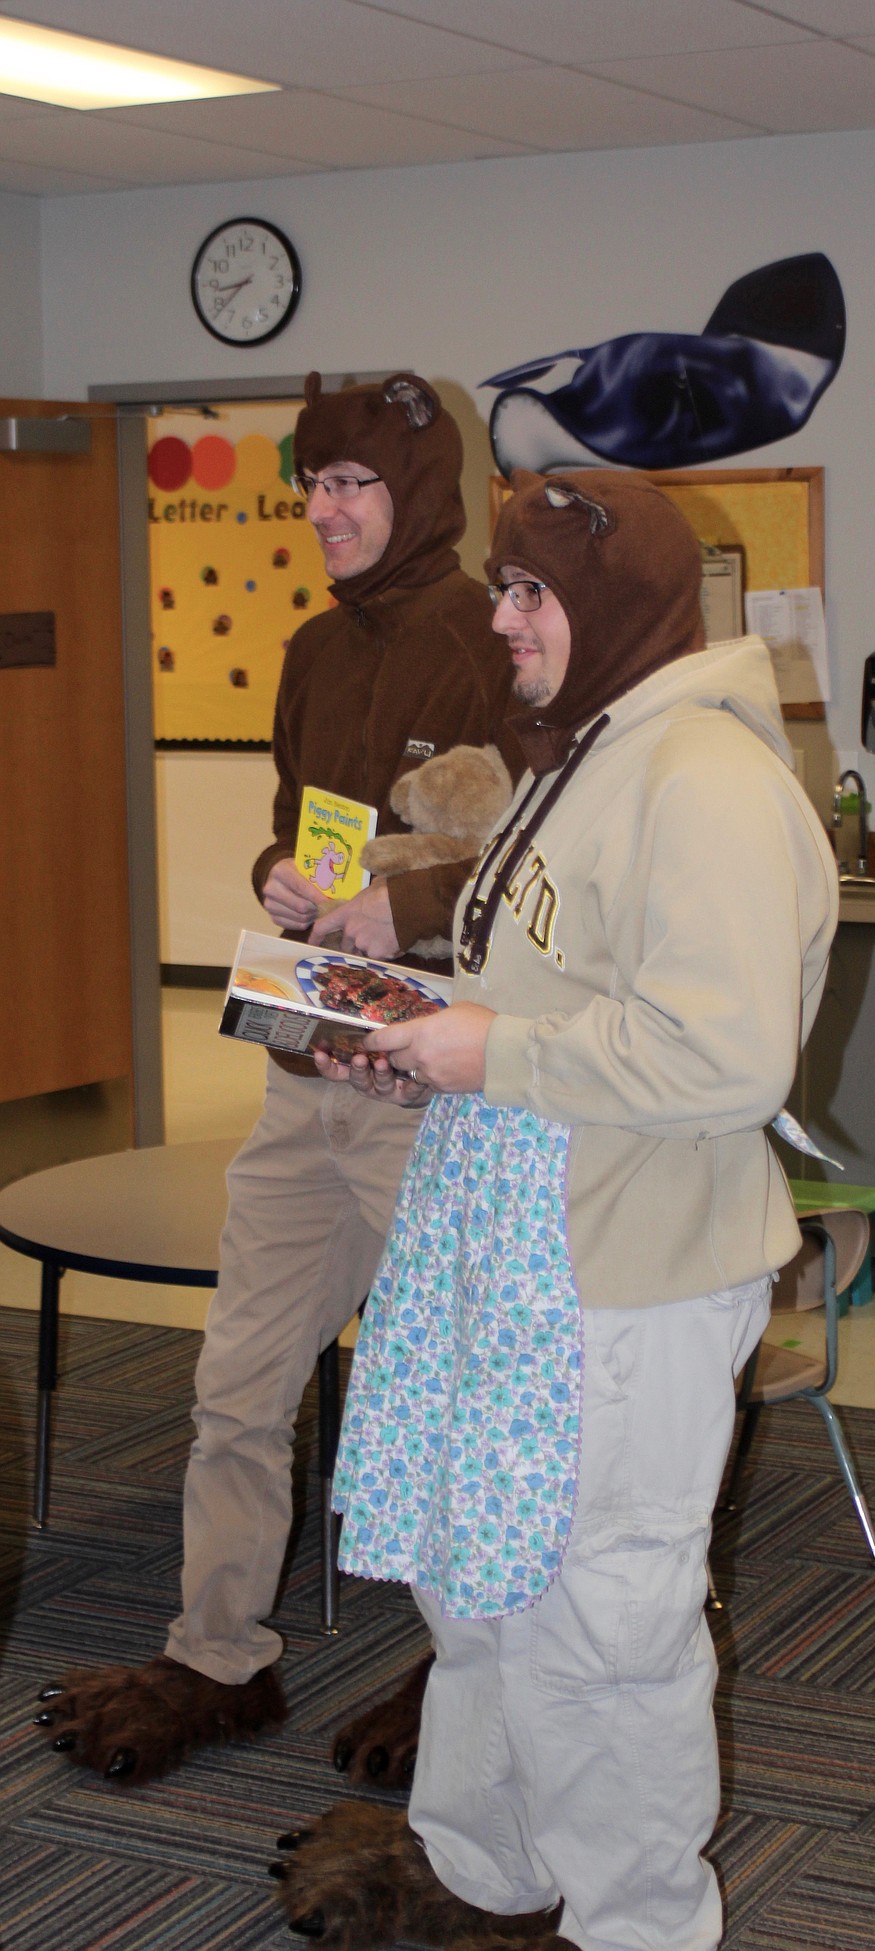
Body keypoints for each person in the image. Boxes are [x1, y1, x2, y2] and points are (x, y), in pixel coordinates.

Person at [272, 469, 838, 1951]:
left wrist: (490, 1051)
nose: (504, 620)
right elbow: (551, 998)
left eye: (533, 595)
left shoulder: (701, 781)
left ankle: (636, 1925)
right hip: (514, 1246)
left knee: (602, 1631)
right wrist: (427, 1047)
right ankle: (488, 1874)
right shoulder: (580, 759)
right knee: (483, 1592)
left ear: (612, 605)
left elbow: (720, 1058)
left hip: (625, 1278)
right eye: (504, 589)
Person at [36, 372, 521, 1786]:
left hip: (427, 1086)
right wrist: (276, 878)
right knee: (238, 1383)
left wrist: (410, 904)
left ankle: (473, 1682)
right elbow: (294, 831)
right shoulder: (314, 650)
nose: (327, 510)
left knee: (444, 1405)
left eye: (356, 483)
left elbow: (540, 869)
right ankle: (216, 1654)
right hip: (308, 1060)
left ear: (420, 493)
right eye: (313, 483)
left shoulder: (493, 638)